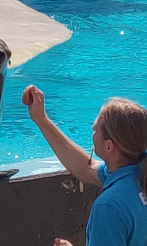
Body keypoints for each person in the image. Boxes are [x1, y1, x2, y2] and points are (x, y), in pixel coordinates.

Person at [22, 85, 147, 246]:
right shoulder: (137, 176)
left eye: (96, 130)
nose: (92, 130)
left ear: (109, 146)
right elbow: (85, 168)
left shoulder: (109, 207)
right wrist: (41, 119)